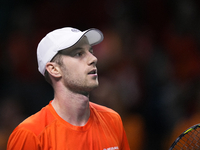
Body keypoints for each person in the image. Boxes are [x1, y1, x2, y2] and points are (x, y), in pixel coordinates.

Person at [7, 27, 130, 150]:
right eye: (78, 53)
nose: (93, 59)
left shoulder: (113, 120)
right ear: (54, 69)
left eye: (90, 51)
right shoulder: (30, 134)